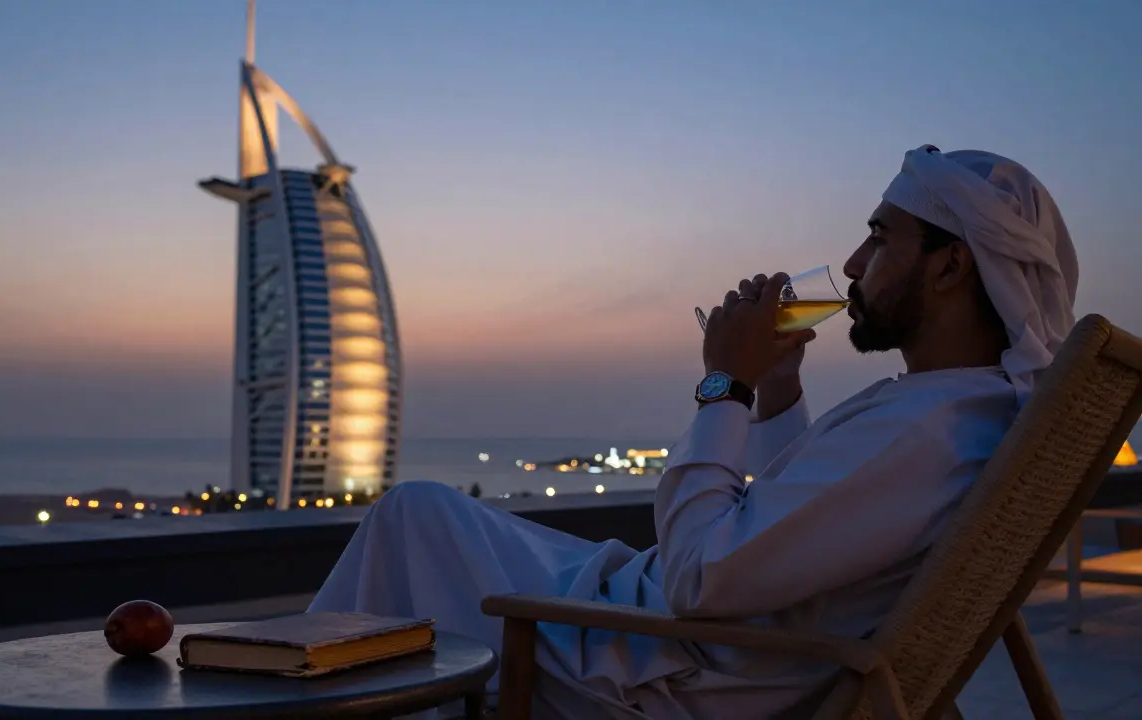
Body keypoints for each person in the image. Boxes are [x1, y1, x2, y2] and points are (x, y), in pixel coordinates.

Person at [307, 145, 1079, 719]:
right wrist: (777, 392)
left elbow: (699, 576)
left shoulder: (930, 432)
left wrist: (725, 385)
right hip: (701, 636)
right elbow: (795, 529)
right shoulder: (956, 412)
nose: (852, 261)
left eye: (881, 237)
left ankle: (290, 692)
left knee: (414, 517)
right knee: (424, 518)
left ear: (948, 269)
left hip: (667, 666)